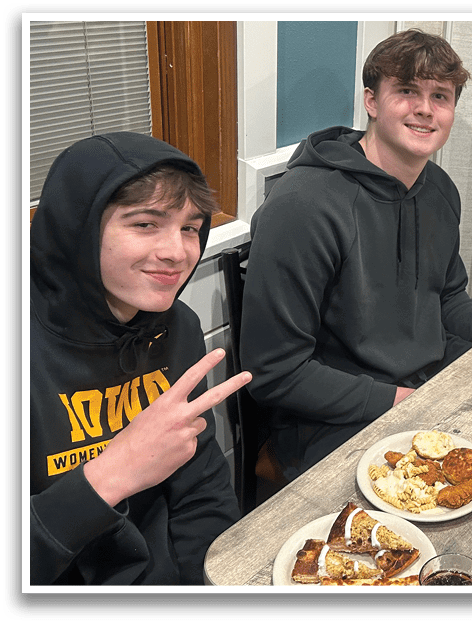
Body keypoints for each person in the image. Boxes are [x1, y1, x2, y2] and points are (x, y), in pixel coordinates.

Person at [241, 29, 472, 481]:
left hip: (421, 387)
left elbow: (449, 296)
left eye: (440, 96)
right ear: (371, 102)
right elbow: (275, 372)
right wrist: (403, 401)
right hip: (326, 420)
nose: (425, 108)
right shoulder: (304, 206)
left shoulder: (440, 190)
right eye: (406, 91)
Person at [30, 132, 252, 584]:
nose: (177, 252)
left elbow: (202, 491)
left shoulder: (178, 326)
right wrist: (110, 475)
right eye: (145, 224)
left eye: (190, 227)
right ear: (78, 228)